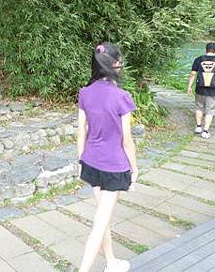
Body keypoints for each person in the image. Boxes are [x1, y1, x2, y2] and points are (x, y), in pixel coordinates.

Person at [77, 43, 137, 272]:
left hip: (91, 162)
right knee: (100, 223)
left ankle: (111, 262)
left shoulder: (85, 92)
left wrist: (80, 158)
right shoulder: (122, 96)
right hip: (113, 166)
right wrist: (135, 169)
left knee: (104, 216)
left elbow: (81, 129)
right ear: (115, 65)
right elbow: (127, 140)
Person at [187, 42, 215, 139]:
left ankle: (198, 127)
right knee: (210, 111)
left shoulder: (198, 59)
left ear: (206, 49)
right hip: (213, 91)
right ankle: (205, 131)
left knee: (199, 107)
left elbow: (193, 74)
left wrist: (189, 86)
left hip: (200, 89)